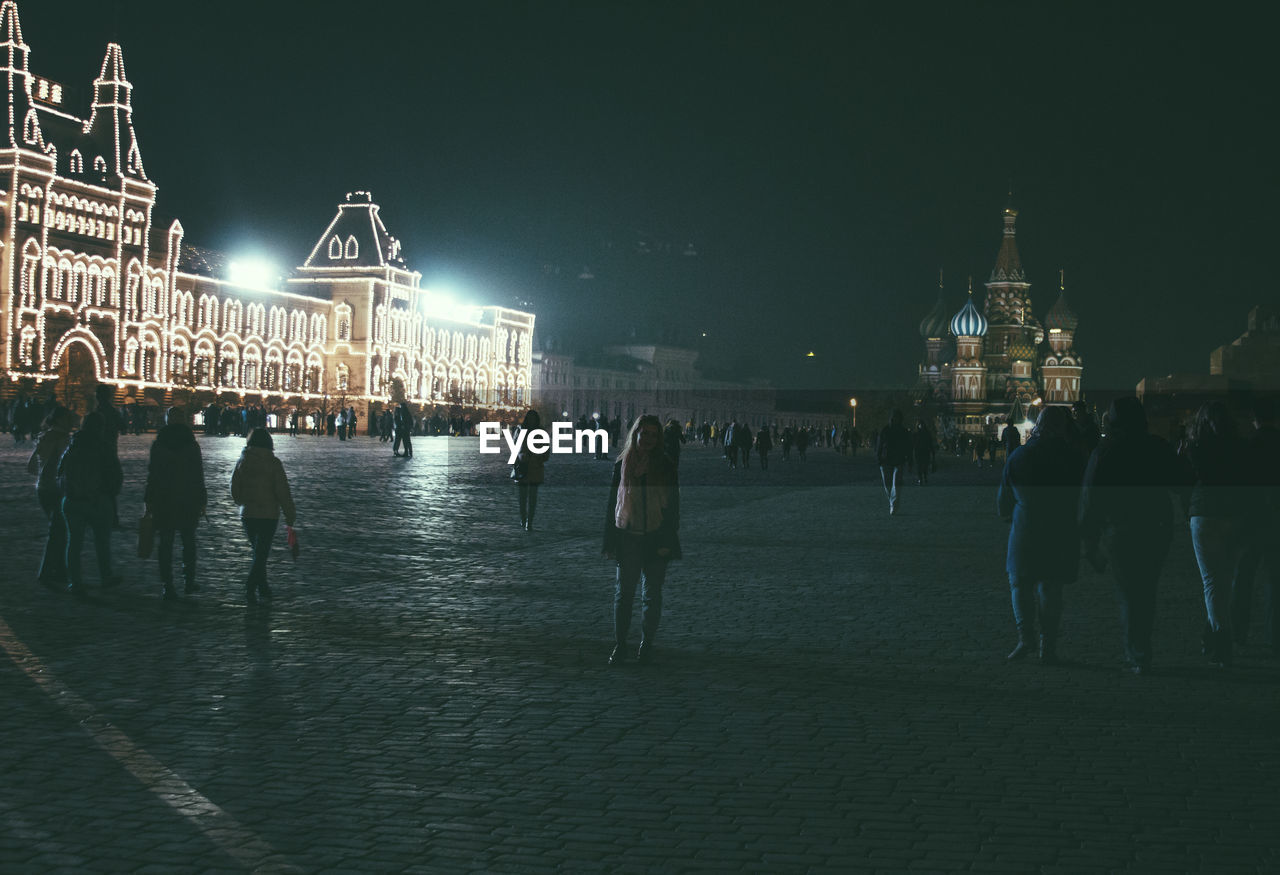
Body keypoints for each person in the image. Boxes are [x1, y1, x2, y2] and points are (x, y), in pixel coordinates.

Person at [1079, 397, 1191, 674]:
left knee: (1130, 592)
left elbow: (1091, 498)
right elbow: (1180, 482)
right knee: (1146, 589)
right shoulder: (1157, 447)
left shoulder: (1105, 451)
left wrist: (1089, 540)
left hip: (1121, 530)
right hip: (1157, 528)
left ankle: (1138, 652)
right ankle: (1141, 647)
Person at [997, 406, 1085, 664]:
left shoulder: (1021, 455)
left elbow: (1004, 496)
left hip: (1027, 526)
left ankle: (1026, 638)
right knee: (1051, 587)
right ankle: (1049, 646)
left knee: (1020, 583)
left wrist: (1006, 513)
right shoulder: (1073, 457)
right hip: (1061, 526)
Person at [603, 415, 681, 667]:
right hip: (628, 537)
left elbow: (673, 507)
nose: (647, 439)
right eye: (643, 433)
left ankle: (646, 644)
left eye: (652, 435)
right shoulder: (621, 465)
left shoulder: (665, 466)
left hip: (657, 535)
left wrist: (668, 538)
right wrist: (610, 541)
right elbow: (611, 506)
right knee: (624, 595)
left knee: (652, 595)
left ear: (658, 439)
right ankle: (621, 644)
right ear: (634, 434)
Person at [1184, 401, 1254, 666]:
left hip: (1204, 512)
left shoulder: (1196, 447)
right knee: (1225, 580)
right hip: (1235, 514)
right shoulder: (1241, 447)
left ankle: (1222, 640)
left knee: (1212, 581)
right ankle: (1212, 633)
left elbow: (1185, 480)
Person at [57, 412, 124, 597]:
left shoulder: (72, 446)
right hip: (98, 500)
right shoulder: (103, 447)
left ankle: (75, 582)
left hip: (72, 500)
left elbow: (59, 471)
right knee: (102, 542)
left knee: (74, 543)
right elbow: (115, 475)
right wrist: (110, 495)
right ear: (100, 427)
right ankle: (105, 576)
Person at [144, 407, 208, 600]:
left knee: (166, 543)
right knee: (188, 541)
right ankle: (189, 580)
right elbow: (198, 474)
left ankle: (167, 585)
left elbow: (153, 473)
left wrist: (149, 499)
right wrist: (202, 498)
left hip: (164, 498)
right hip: (187, 498)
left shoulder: (160, 443)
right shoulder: (191, 443)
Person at [231, 428, 297, 604]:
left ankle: (263, 587)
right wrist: (290, 514)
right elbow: (283, 491)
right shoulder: (273, 463)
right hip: (268, 515)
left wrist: (242, 501)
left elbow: (234, 489)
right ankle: (251, 586)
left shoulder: (242, 461)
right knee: (261, 553)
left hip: (248, 515)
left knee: (258, 552)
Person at [1235, 397, 1280, 655]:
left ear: (1255, 419)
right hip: (1276, 517)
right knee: (1276, 579)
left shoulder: (1248, 445)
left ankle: (1239, 630)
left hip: (1251, 519)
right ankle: (1275, 635)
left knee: (1243, 578)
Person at [27, 406, 77, 590]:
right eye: (68, 418)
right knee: (59, 532)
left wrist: (43, 474)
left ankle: (60, 570)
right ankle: (48, 572)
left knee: (59, 530)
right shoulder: (61, 438)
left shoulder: (44, 436)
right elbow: (67, 465)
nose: (72, 421)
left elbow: (31, 466)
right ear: (61, 420)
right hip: (56, 489)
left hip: (42, 487)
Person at [514, 410, 549, 531]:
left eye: (533, 418)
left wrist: (538, 457)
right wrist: (519, 456)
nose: (532, 421)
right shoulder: (520, 430)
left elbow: (546, 451)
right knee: (522, 498)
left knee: (532, 497)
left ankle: (530, 521)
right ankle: (523, 519)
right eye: (530, 418)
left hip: (535, 468)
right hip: (523, 467)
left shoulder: (541, 432)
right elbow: (515, 446)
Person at [876, 410, 911, 514]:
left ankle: (893, 505)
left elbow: (908, 447)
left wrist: (909, 460)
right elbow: (880, 445)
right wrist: (879, 458)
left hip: (898, 460)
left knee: (896, 484)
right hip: (886, 460)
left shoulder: (903, 432)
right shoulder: (885, 430)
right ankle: (892, 502)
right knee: (887, 485)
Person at [911, 419, 935, 485]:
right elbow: (912, 443)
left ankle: (923, 477)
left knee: (924, 465)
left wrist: (932, 451)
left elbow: (930, 443)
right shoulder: (916, 434)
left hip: (925, 451)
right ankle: (921, 478)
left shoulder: (926, 433)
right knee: (919, 466)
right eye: (919, 424)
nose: (920, 426)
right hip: (919, 451)